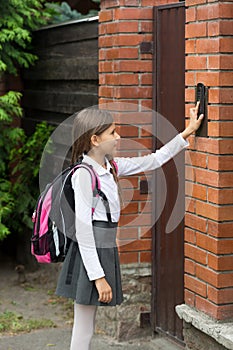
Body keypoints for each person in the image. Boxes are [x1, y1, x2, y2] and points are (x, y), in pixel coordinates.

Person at [56, 103, 203, 350]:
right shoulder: (83, 174)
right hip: (89, 253)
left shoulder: (111, 166)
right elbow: (84, 232)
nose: (118, 137)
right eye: (112, 133)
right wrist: (99, 277)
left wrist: (186, 133)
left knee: (87, 326)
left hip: (103, 249)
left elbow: (154, 160)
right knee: (83, 326)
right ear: (94, 139)